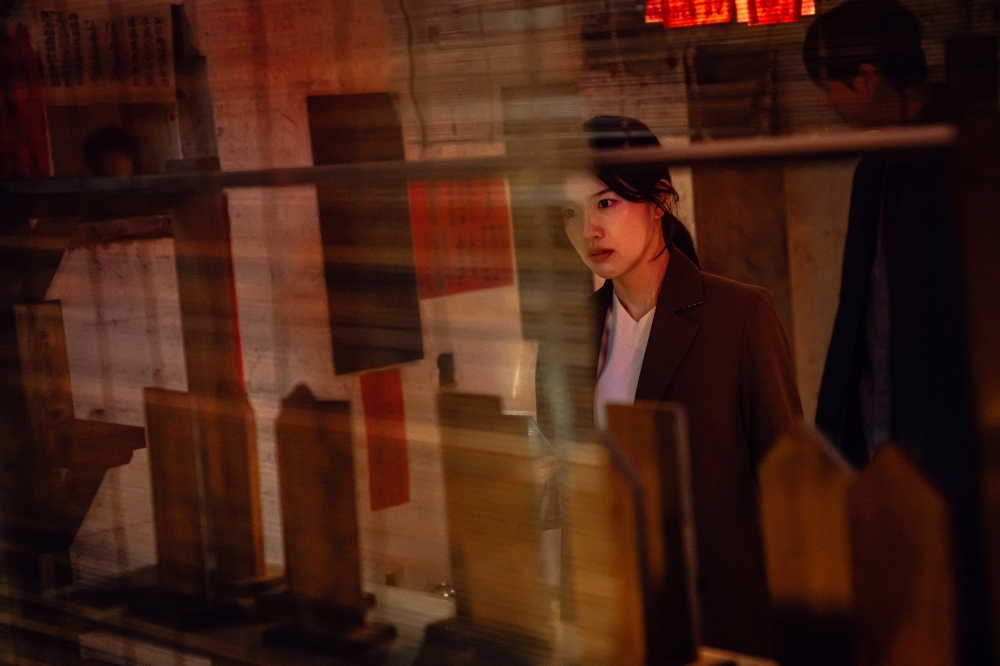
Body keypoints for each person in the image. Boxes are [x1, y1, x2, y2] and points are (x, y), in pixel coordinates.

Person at [561, 115, 803, 656]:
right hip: (616, 618)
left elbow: (788, 486)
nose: (588, 229)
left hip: (721, 622)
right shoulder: (568, 336)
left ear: (660, 200)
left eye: (605, 203)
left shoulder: (740, 316)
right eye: (569, 212)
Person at [803, 1, 991, 659]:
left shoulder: (960, 156)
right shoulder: (878, 165)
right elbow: (862, 316)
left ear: (866, 78)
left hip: (952, 452)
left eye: (828, 85)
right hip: (881, 444)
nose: (826, 103)